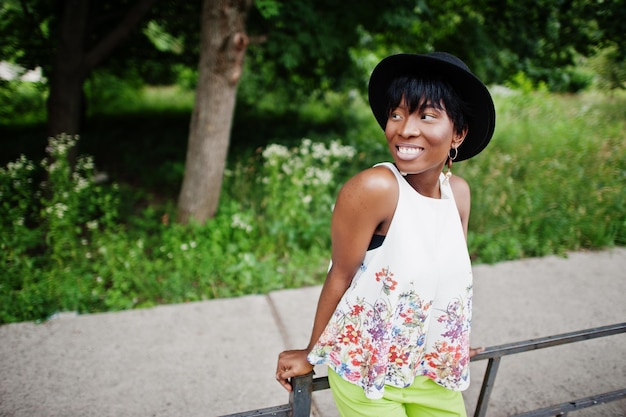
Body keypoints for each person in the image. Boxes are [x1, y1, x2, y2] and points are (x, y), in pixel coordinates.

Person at [275, 52, 496, 417]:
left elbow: (445, 278)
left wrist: (451, 338)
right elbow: (341, 275)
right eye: (397, 114)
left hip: (433, 372)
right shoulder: (376, 187)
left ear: (458, 132)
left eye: (426, 116)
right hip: (369, 372)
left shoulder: (458, 193)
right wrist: (311, 354)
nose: (405, 129)